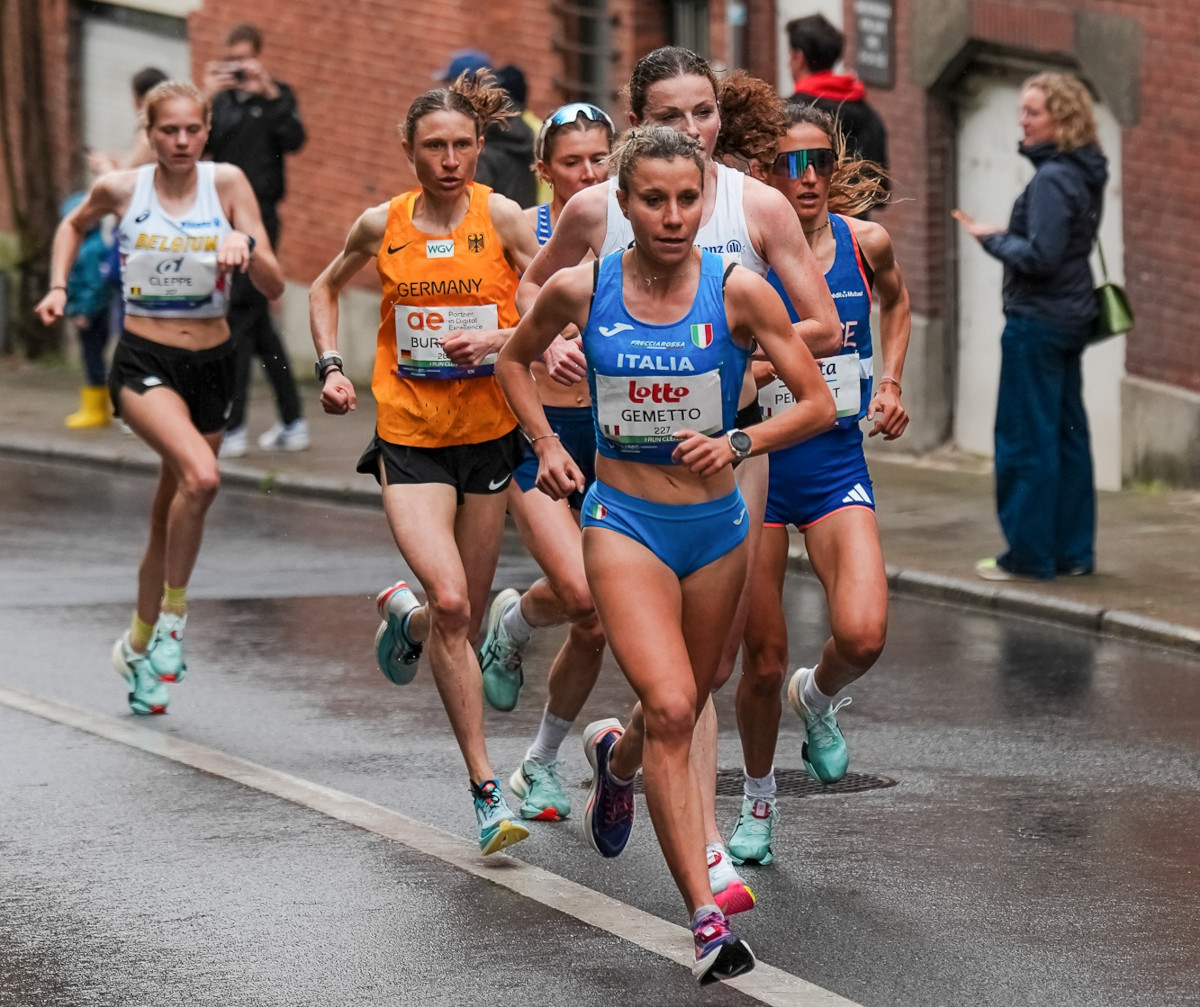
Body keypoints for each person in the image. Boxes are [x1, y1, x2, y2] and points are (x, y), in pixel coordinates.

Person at [496, 126, 835, 985]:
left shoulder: (738, 290)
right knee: (676, 707)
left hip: (716, 526)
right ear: (624, 202)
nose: (674, 215)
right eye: (654, 199)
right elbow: (512, 360)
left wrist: (740, 441)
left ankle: (616, 760)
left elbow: (817, 402)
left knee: (699, 684)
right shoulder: (584, 286)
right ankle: (706, 920)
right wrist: (547, 444)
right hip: (625, 523)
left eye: (689, 199)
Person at [308, 72, 541, 855]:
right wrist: (331, 367)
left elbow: (553, 299)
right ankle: (485, 789)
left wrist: (501, 340)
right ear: (408, 149)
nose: (448, 160)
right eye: (433, 146)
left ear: (479, 147)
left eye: (461, 146)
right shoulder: (382, 224)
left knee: (456, 619)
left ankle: (404, 619)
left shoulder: (501, 217)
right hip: (409, 436)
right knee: (452, 598)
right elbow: (322, 288)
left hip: (489, 434)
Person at [34, 80, 283, 715]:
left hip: (214, 364)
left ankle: (137, 648)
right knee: (202, 478)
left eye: (192, 130)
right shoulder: (124, 189)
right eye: (168, 130)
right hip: (145, 360)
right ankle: (173, 621)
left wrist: (247, 248)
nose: (180, 141)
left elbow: (276, 284)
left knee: (166, 514)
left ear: (207, 131)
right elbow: (72, 224)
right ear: (149, 133)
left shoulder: (227, 184)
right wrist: (58, 286)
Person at [707, 102, 911, 868]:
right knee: (761, 660)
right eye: (791, 164)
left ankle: (817, 697)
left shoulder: (866, 242)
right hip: (760, 467)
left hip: (832, 462)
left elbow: (897, 301)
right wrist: (763, 372)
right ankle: (758, 802)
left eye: (820, 160)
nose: (810, 177)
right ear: (763, 174)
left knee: (863, 633)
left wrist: (890, 381)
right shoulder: (745, 263)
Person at [477, 102, 615, 822]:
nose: (588, 173)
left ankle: (538, 759)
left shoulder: (635, 224)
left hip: (616, 437)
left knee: (594, 621)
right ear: (544, 169)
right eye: (571, 162)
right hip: (538, 431)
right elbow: (495, 313)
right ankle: (514, 628)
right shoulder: (523, 229)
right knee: (585, 597)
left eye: (599, 159)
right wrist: (539, 338)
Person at [953, 72, 1107, 582]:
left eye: (1032, 111)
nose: (1021, 120)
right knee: (1067, 437)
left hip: (1038, 322)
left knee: (1026, 440)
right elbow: (1059, 246)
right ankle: (1074, 553)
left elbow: (1041, 256)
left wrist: (991, 239)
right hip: (1071, 318)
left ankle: (1029, 555)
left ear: (1060, 118)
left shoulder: (1053, 178)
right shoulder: (1084, 171)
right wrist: (1009, 236)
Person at [204, 23, 307, 458]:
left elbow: (295, 140)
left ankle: (234, 427)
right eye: (232, 61)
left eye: (245, 59)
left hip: (261, 215)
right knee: (259, 324)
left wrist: (270, 94)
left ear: (259, 57)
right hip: (224, 215)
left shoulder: (276, 97)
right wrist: (205, 96)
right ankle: (293, 420)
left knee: (240, 316)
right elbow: (199, 147)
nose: (239, 68)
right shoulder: (219, 104)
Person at [786, 14, 888, 196]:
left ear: (798, 58)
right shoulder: (869, 115)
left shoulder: (787, 115)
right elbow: (879, 190)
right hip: (855, 214)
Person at [58, 191, 115, 428]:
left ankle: (96, 409)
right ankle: (97, 407)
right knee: (92, 356)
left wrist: (84, 312)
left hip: (91, 313)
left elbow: (93, 284)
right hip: (91, 310)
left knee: (92, 357)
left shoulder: (90, 249)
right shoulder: (89, 245)